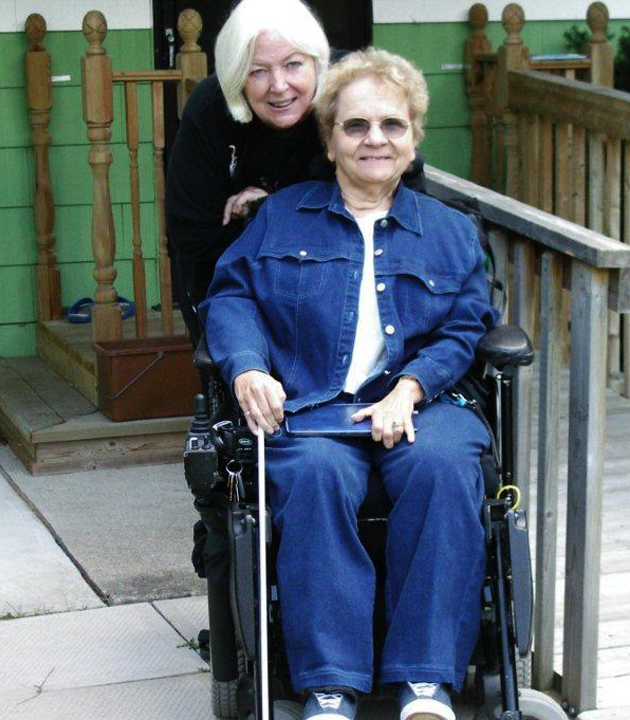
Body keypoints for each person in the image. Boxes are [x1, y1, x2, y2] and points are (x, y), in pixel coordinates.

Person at [200, 48, 496, 720]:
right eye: (356, 126)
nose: (375, 140)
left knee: (444, 465)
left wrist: (411, 389)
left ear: (414, 137)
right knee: (315, 474)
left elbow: (465, 328)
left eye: (392, 125)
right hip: (312, 404)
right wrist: (247, 366)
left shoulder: (451, 233)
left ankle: (425, 684)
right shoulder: (281, 218)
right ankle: (330, 687)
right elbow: (231, 299)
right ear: (329, 138)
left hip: (428, 405)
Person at [164, 0, 330, 343]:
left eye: (294, 64)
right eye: (258, 71)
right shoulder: (210, 110)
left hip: (336, 285)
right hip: (232, 287)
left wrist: (270, 210)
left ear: (317, 62)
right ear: (236, 75)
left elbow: (390, 185)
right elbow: (192, 237)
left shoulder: (351, 92)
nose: (279, 85)